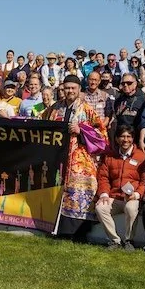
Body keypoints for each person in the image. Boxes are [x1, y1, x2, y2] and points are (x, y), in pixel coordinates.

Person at [50, 75, 107, 242]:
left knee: (81, 187)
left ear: (79, 89)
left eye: (73, 88)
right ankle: (58, 229)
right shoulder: (55, 108)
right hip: (58, 155)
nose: (70, 91)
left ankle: (79, 232)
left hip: (80, 156)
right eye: (67, 88)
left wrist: (81, 130)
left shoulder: (87, 109)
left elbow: (102, 134)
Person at [94, 126, 145, 250]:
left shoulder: (141, 156)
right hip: (114, 196)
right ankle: (115, 241)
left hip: (131, 197)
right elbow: (103, 178)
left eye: (128, 136)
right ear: (117, 139)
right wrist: (104, 194)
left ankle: (129, 240)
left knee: (131, 208)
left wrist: (137, 194)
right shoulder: (110, 156)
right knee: (100, 208)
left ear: (133, 139)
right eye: (122, 136)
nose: (125, 140)